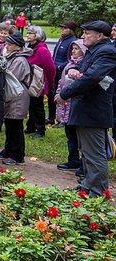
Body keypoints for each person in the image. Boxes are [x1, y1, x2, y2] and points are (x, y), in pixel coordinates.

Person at [58, 20, 116, 197]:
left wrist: (65, 93)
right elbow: (87, 73)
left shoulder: (106, 52)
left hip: (93, 110)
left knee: (95, 154)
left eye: (87, 33)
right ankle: (88, 185)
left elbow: (92, 78)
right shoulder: (95, 50)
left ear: (100, 36)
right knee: (87, 152)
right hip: (85, 109)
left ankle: (97, 192)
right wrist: (75, 70)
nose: (83, 37)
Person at [0, 31, 32, 165]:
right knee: (9, 124)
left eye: (10, 44)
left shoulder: (19, 60)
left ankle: (17, 154)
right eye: (7, 43)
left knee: (15, 126)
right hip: (11, 95)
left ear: (18, 46)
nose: (7, 46)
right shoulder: (11, 57)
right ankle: (8, 149)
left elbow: (12, 78)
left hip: (18, 96)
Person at [54, 39, 86, 172]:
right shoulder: (69, 64)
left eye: (76, 49)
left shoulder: (81, 66)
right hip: (65, 104)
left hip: (75, 106)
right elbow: (62, 83)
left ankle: (83, 164)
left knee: (80, 138)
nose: (73, 51)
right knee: (70, 136)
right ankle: (73, 160)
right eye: (72, 49)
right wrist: (58, 94)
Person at [25, 25, 56, 138]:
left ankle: (40, 129)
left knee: (37, 106)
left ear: (37, 36)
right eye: (27, 32)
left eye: (30, 33)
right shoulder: (30, 48)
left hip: (38, 82)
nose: (27, 35)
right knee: (31, 105)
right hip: (30, 81)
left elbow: (50, 68)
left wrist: (50, 84)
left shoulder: (42, 50)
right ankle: (31, 126)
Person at [48, 21, 77, 127]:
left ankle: (62, 120)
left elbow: (71, 59)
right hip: (55, 71)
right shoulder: (61, 40)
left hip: (63, 72)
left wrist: (60, 67)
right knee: (52, 93)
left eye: (65, 28)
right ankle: (51, 117)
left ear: (71, 30)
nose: (62, 30)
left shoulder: (72, 41)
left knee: (62, 95)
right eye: (62, 28)